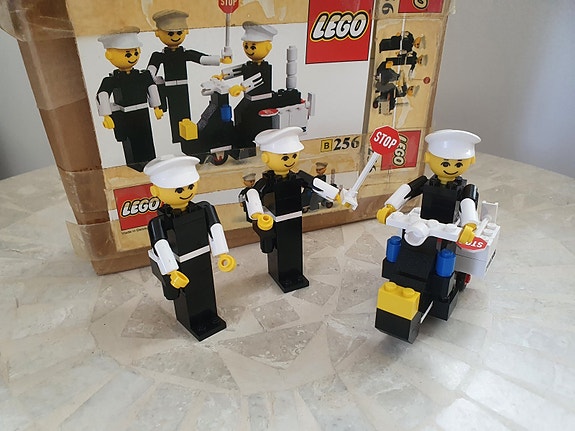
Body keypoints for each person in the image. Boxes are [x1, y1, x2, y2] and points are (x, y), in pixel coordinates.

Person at [375, 129, 481, 342]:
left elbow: (468, 204)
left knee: (443, 257)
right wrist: (390, 206)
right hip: (421, 228)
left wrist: (470, 224)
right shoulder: (425, 182)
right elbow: (408, 190)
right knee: (407, 249)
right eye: (445, 162)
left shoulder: (465, 189)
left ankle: (439, 292)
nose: (450, 168)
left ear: (470, 161)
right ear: (428, 158)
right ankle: (401, 287)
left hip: (446, 232)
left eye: (458, 163)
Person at [243, 127, 353, 292]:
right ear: (266, 157)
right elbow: (252, 195)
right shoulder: (266, 183)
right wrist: (257, 215)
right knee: (275, 248)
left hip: (294, 219)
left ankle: (294, 274)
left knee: (294, 247)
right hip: (275, 221)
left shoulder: (297, 176)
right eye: (285, 157)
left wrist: (337, 195)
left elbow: (315, 184)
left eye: (294, 155)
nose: (291, 160)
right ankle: (283, 276)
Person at [145, 155, 236, 341]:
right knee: (187, 296)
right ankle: (193, 321)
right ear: (155, 191)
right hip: (180, 264)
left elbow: (215, 228)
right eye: (178, 189)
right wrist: (171, 271)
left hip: (201, 256)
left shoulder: (204, 208)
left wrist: (222, 253)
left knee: (205, 287)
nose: (186, 192)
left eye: (190, 186)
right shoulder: (159, 222)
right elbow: (160, 245)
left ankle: (209, 317)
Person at [147, 10, 227, 155]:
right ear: (158, 33)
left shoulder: (184, 53)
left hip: (182, 89)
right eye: (170, 33)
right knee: (176, 121)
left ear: (186, 31)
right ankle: (183, 143)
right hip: (169, 89)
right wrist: (156, 101)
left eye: (179, 32)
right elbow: (149, 73)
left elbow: (201, 58)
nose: (175, 36)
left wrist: (220, 59)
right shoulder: (159, 56)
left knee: (185, 117)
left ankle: (189, 142)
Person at [97, 28, 163, 171]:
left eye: (135, 52)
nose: (133, 56)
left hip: (143, 113)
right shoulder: (112, 80)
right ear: (109, 55)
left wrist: (157, 107)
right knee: (131, 142)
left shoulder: (143, 75)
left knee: (147, 137)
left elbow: (151, 88)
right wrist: (106, 115)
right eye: (128, 53)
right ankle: (136, 164)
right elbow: (102, 94)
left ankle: (151, 160)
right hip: (125, 115)